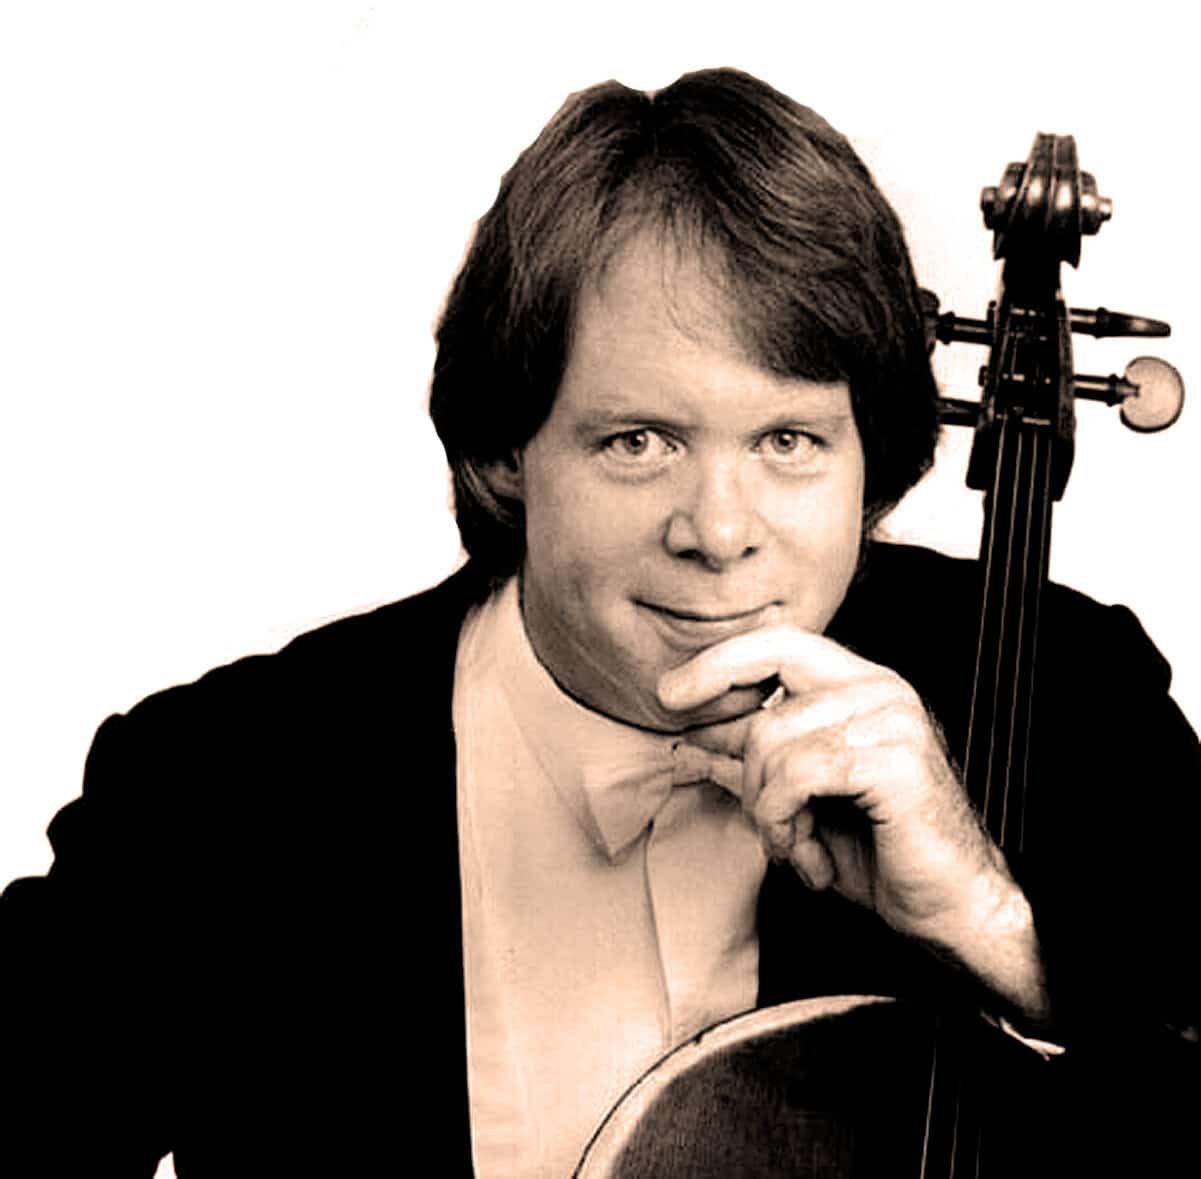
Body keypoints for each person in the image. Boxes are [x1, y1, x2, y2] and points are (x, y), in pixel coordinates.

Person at [2, 68, 1197, 1178]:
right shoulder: (221, 790)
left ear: (868, 461)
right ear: (505, 450)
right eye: (639, 443)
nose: (718, 531)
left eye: (787, 442)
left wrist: (999, 931)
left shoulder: (1066, 701)